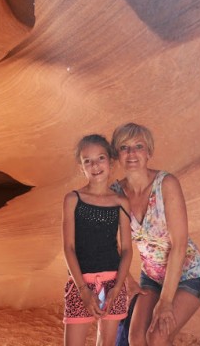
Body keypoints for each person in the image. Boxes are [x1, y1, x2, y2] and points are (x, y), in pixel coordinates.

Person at [110, 123, 200, 346]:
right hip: (152, 276)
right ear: (116, 154)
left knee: (157, 337)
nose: (131, 153)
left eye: (138, 146)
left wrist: (166, 301)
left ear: (149, 152)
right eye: (124, 147)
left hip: (189, 273)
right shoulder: (115, 193)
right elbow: (110, 244)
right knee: (136, 339)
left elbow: (179, 244)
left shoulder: (166, 184)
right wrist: (126, 279)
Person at [62, 134, 134, 346]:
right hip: (80, 283)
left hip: (113, 283)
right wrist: (83, 290)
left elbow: (127, 249)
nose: (95, 165)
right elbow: (68, 247)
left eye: (100, 158)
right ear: (81, 167)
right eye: (87, 161)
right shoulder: (73, 199)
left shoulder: (121, 202)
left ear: (110, 161)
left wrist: (118, 287)